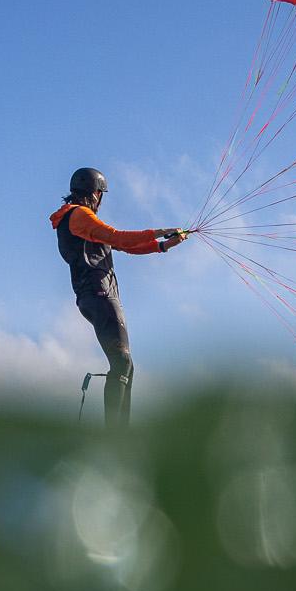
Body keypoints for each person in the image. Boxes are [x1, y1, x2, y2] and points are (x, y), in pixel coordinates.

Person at [49, 166, 186, 430]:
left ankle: (120, 430)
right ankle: (115, 433)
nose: (101, 201)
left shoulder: (76, 221)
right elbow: (118, 238)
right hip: (99, 294)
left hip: (91, 297)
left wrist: (163, 245)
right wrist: (159, 231)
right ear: (95, 193)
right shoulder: (80, 215)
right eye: (101, 195)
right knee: (122, 362)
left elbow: (122, 246)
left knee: (125, 365)